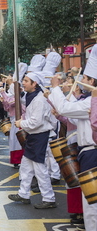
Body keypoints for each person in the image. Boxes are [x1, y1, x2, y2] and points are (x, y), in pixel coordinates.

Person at [49, 44, 97, 230]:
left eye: (84, 78)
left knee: (92, 203)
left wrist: (55, 88)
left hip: (92, 154)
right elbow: (70, 117)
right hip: (86, 151)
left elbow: (65, 109)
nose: (80, 81)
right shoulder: (87, 101)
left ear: (92, 82)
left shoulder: (90, 102)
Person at [8, 72, 57, 209]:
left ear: (34, 84)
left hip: (39, 136)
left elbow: (36, 122)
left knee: (40, 170)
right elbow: (17, 95)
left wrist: (21, 123)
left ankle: (49, 198)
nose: (23, 83)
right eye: (23, 80)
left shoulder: (40, 100)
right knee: (25, 167)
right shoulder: (32, 96)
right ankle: (23, 194)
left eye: (26, 81)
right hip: (34, 136)